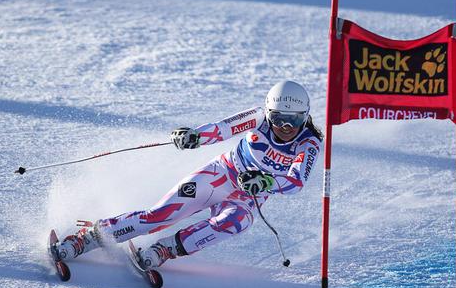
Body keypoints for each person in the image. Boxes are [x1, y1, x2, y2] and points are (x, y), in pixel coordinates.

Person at [55, 80, 323, 269]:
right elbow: (223, 129)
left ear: (305, 116)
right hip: (220, 175)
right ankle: (89, 238)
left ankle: (166, 249)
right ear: (268, 113)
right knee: (160, 216)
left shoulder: (308, 143)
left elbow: (295, 181)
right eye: (278, 119)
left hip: (248, 198)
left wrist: (265, 181)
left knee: (236, 222)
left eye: (294, 120)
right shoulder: (257, 118)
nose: (285, 127)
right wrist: (196, 136)